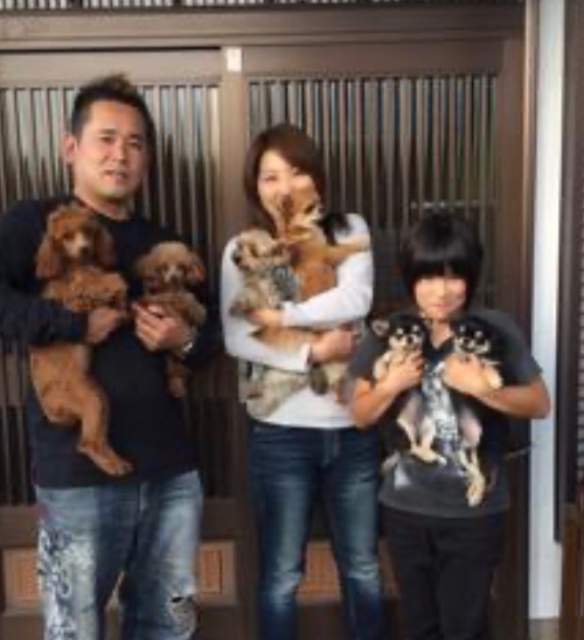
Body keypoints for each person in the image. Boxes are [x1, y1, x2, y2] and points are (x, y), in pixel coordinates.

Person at [0, 74, 216, 640]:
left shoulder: (163, 241)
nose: (121, 154)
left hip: (170, 473)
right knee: (74, 630)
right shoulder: (35, 222)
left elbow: (211, 337)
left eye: (135, 143)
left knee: (168, 627)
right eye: (106, 139)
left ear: (147, 160)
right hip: (76, 478)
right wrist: (72, 324)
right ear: (71, 147)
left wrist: (182, 342)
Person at [349, 212, 551, 640]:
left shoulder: (495, 328)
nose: (441, 291)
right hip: (404, 510)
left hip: (475, 514)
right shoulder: (389, 332)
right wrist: (390, 385)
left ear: (471, 277)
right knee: (418, 626)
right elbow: (360, 414)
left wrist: (483, 390)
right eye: (428, 277)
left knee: (466, 627)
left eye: (453, 277)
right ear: (410, 277)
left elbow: (539, 403)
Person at [221, 123, 382, 640]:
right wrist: (314, 350)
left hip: (352, 430)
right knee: (281, 576)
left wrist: (281, 317)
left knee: (362, 567)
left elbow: (355, 299)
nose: (285, 187)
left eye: (296, 172)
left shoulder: (347, 229)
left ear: (316, 177)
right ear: (255, 187)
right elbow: (237, 337)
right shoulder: (243, 249)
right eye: (270, 177)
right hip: (280, 434)